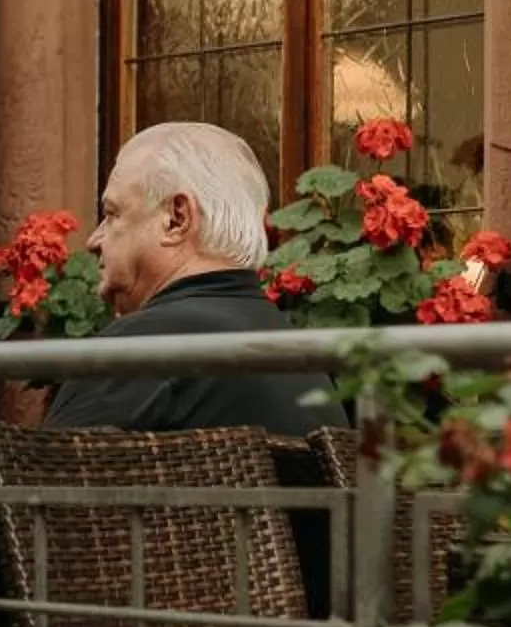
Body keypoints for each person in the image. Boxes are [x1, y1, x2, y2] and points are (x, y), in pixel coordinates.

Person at [43, 121, 336, 436]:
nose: (93, 240)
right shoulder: (303, 361)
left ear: (176, 219)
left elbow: (39, 483)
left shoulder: (143, 346)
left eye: (113, 214)